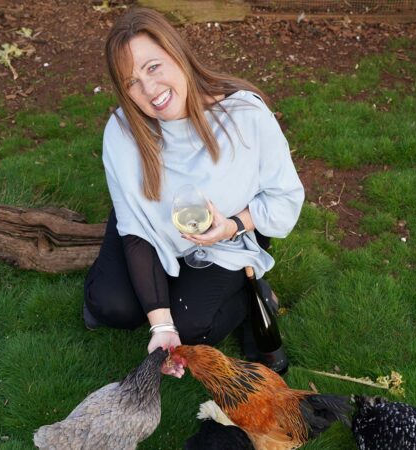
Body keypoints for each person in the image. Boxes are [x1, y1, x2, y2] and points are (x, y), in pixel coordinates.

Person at [83, 7, 304, 377]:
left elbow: (284, 200)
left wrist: (232, 225)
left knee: (191, 332)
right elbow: (136, 228)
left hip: (225, 235)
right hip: (149, 223)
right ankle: (153, 293)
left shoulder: (244, 115)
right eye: (132, 82)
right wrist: (161, 325)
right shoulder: (122, 131)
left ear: (176, 52)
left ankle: (253, 287)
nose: (149, 90)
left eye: (153, 67)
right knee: (111, 307)